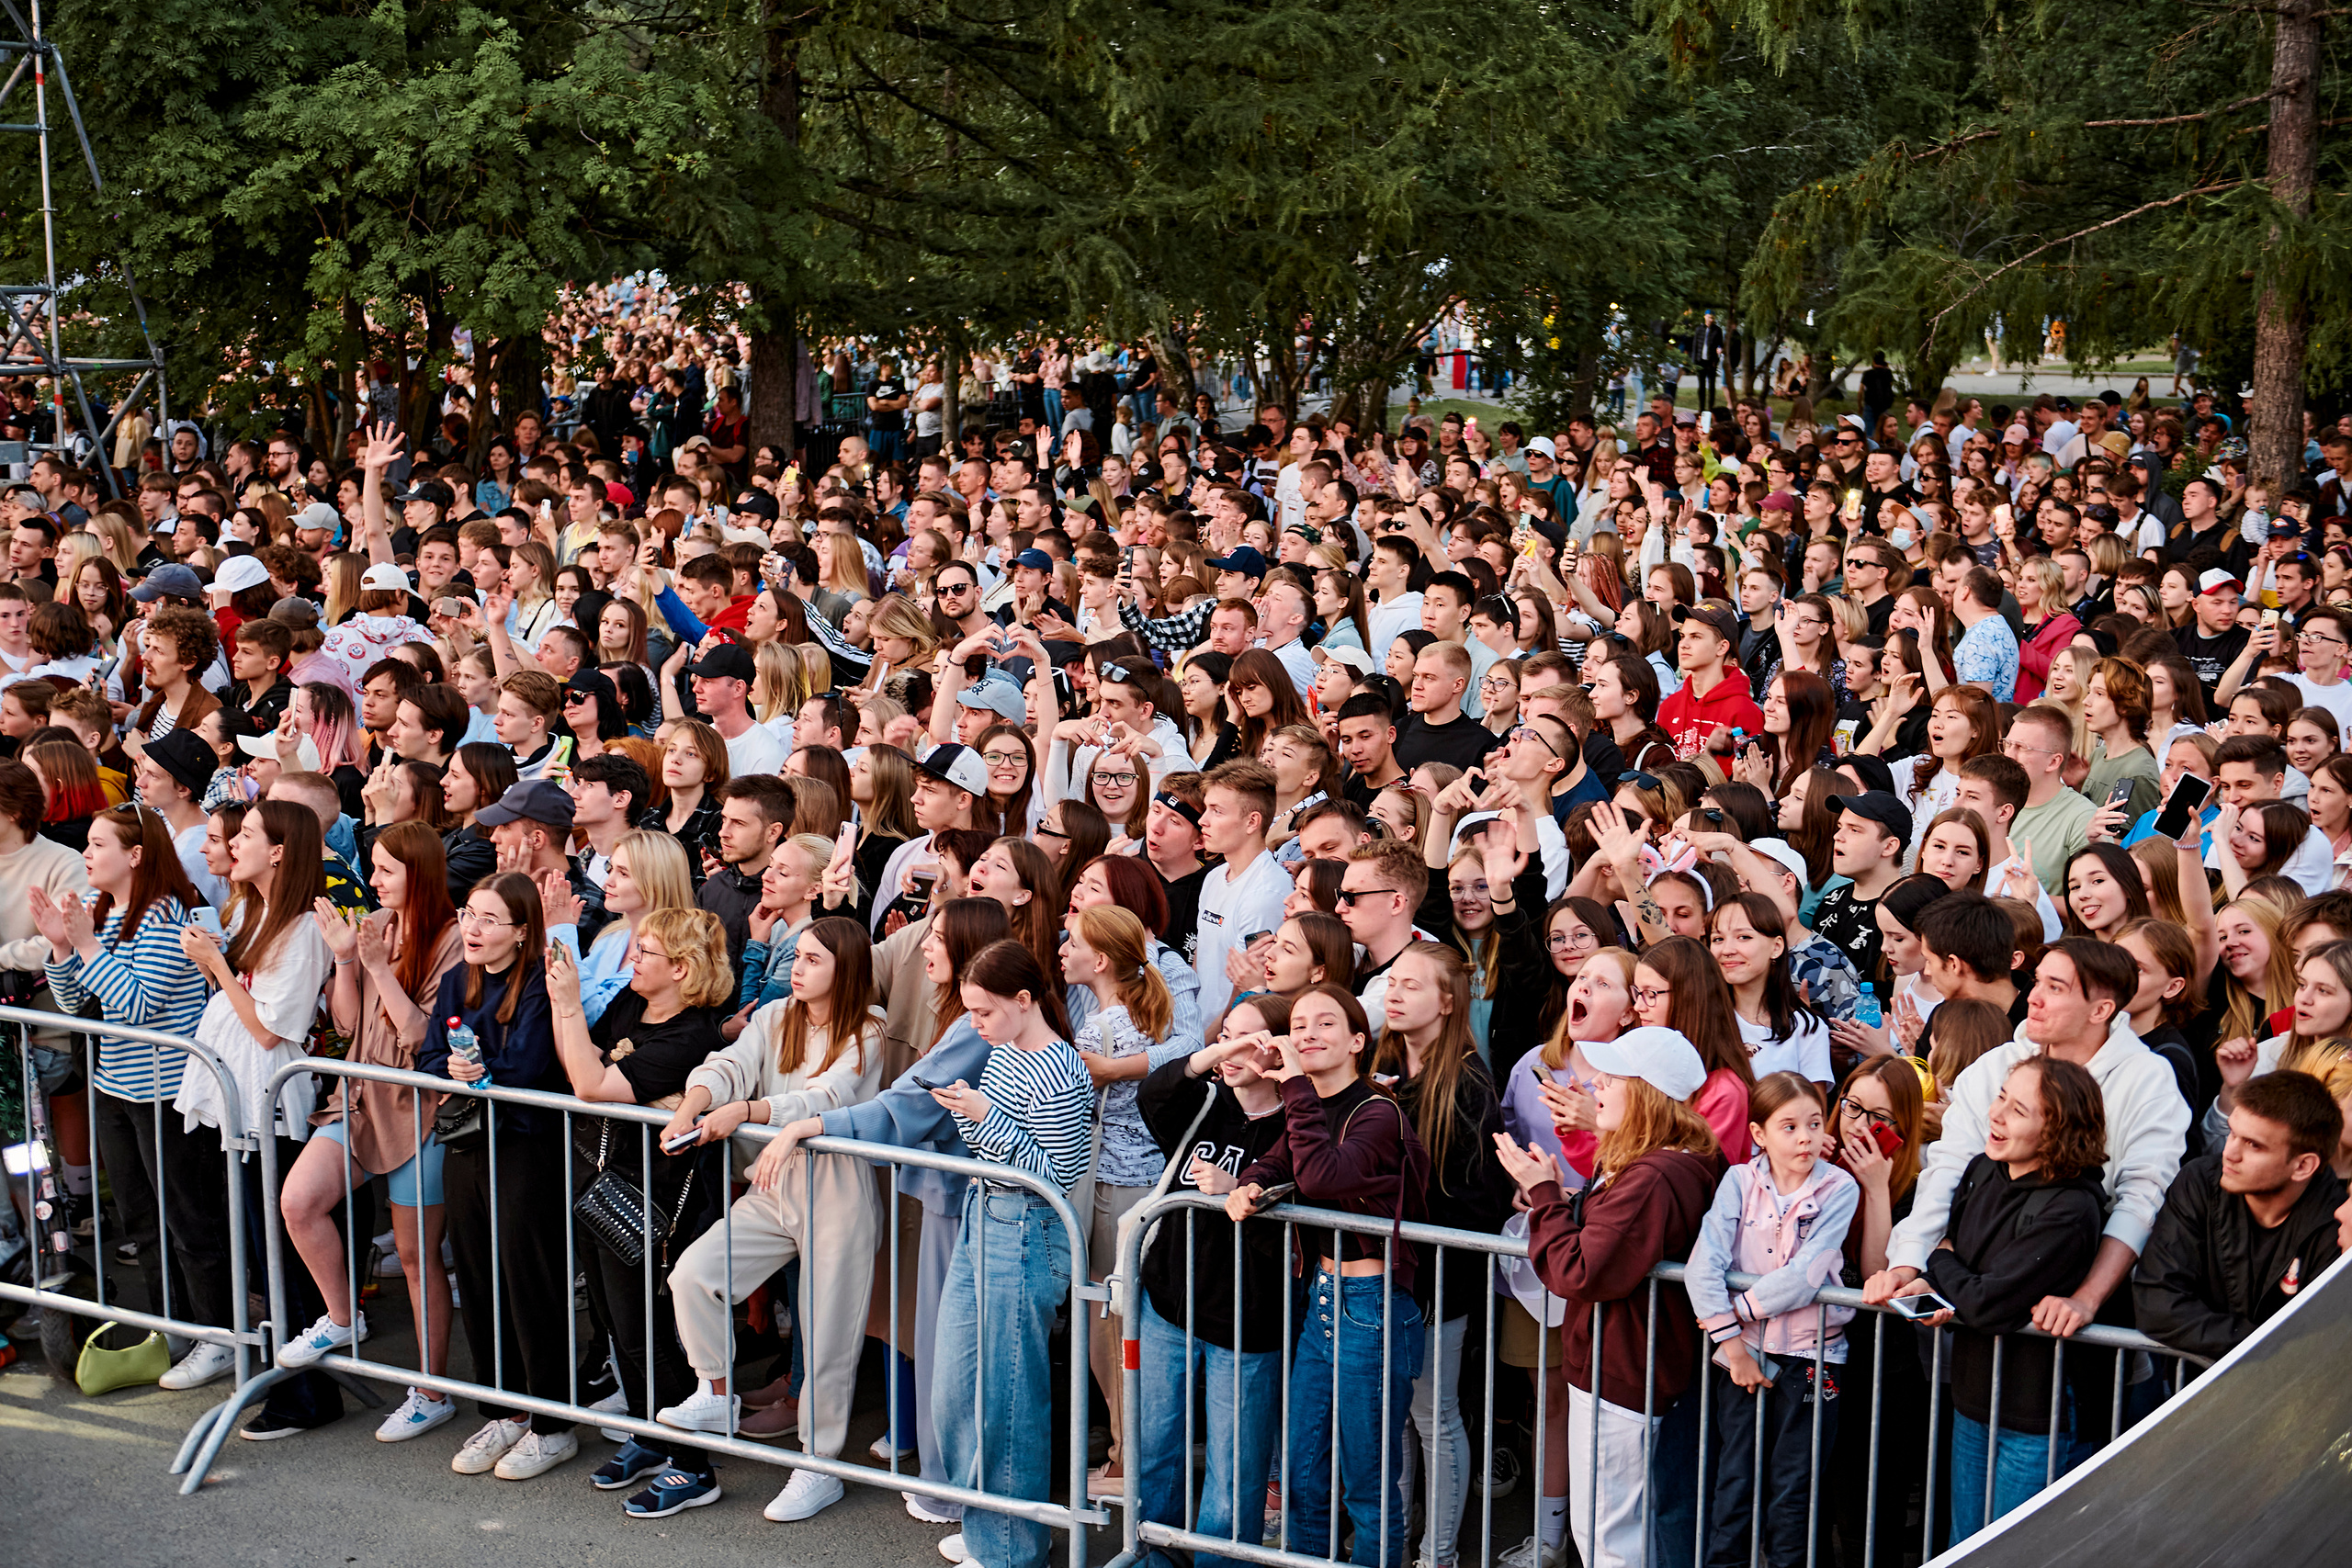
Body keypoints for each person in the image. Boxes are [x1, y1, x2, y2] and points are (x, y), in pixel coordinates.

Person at [603, 909, 863, 1522]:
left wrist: (744, 1111)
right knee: (693, 1274)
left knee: (825, 1337)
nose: (797, 968)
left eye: (813, 959)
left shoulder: (867, 1030)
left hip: (839, 1194)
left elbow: (828, 1096)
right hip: (772, 1187)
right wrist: (691, 1106)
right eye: (796, 956)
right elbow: (726, 1065)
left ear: (845, 969)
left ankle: (818, 1465)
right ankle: (715, 1394)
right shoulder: (775, 1017)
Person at [1493, 1026, 1722, 1568]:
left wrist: (1546, 1195)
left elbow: (1580, 1270)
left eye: (1613, 1077)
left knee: (1607, 1540)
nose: (1594, 1082)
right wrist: (1567, 1200)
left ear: (1646, 1093)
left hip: (1621, 1372)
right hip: (1628, 1367)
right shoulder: (1672, 1159)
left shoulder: (1654, 1175)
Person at [273, 822, 465, 1443]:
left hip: (421, 1107)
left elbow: (420, 1036)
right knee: (299, 1201)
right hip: (357, 1096)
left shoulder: (455, 937)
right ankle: (340, 1314)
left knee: (414, 1256)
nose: (374, 880)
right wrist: (347, 959)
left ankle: (432, 1389)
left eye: (385, 869)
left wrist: (378, 966)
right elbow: (351, 1023)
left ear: (419, 872)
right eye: (375, 868)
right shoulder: (374, 925)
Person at [1226, 984, 1429, 1568]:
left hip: (1372, 1305)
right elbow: (1284, 1160)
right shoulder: (1310, 1104)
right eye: (1299, 1023)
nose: (1307, 1034)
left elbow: (1322, 1177)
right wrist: (1251, 1184)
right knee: (1304, 1478)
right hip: (1322, 1297)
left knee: (1367, 1487)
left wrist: (1291, 1084)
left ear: (1357, 1042)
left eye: (1325, 1025)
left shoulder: (1377, 1112)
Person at [169, 798, 340, 1437]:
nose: (232, 842)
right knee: (255, 1237)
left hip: (269, 1094)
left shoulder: (299, 927)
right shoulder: (253, 909)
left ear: (279, 851)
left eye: (245, 834)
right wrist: (219, 961)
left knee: (277, 1247)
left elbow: (273, 1030)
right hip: (239, 1089)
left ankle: (305, 1391)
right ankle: (290, 1379)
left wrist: (217, 966)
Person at [30, 805, 212, 1378]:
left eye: (98, 844)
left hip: (166, 1091)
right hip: (115, 1084)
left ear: (135, 855)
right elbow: (73, 1004)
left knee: (185, 1218)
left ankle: (212, 1331)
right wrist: (62, 947)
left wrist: (84, 946)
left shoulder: (165, 914)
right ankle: (171, 1327)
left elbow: (135, 1007)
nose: (85, 854)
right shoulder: (103, 911)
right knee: (140, 1217)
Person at [1896, 1055, 2110, 1540]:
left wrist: (1942, 1262)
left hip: (2039, 1415)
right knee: (1962, 1543)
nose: (1996, 1115)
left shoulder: (2072, 1206)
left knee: (2010, 1551)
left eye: (2018, 1110)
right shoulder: (1983, 1169)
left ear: (2057, 1129)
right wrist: (1946, 1269)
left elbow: (1987, 1302)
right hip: (1975, 1397)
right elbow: (1960, 1267)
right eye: (2000, 1098)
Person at [416, 871, 577, 1481]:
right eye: (468, 914)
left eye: (489, 919)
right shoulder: (458, 977)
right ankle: (503, 1409)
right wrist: (451, 1065)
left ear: (521, 931)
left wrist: (476, 1065)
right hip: (465, 1143)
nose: (473, 928)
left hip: (525, 1145)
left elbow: (531, 1064)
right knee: (478, 1276)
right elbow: (428, 1053)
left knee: (529, 1279)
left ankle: (552, 1422)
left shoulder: (538, 979)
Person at [1133, 992, 1295, 1568]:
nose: (1234, 1050)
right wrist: (1212, 1054)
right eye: (1227, 1033)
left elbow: (1310, 1188)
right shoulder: (1204, 1105)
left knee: (1234, 1471)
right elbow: (1151, 1095)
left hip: (1246, 1323)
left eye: (1250, 1039)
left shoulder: (1298, 1122)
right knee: (1155, 1451)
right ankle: (1156, 1560)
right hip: (1169, 1307)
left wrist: (1239, 1190)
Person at [1373, 942, 1513, 1568]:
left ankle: (1441, 1554)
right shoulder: (1381, 1065)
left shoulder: (1467, 1083)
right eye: (1392, 982)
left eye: (1413, 984)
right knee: (1398, 1416)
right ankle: (1399, 1537)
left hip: (1435, 1281)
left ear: (1449, 1000)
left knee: (1434, 1415)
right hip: (1378, 1273)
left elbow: (1473, 1200)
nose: (1395, 993)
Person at [1686, 1073, 1857, 1568]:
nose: (1805, 1137)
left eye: (1814, 1123)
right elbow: (1704, 1263)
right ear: (1759, 1133)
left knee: (1795, 1486)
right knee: (1735, 1478)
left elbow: (1807, 1274)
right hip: (1740, 1354)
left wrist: (1732, 1315)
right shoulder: (1738, 1181)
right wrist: (1732, 1345)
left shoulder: (1837, 1187)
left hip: (1812, 1355)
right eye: (1788, 1126)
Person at [1060, 904, 1185, 1501]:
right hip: (1153, 1183)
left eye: (1074, 941)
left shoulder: (1099, 1030)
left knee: (1110, 1333)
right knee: (1138, 1328)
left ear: (1101, 959)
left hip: (1113, 1190)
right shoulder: (1152, 1012)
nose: (1063, 948)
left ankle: (1123, 1463)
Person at [2133, 1068, 2347, 1360]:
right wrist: (2268, 1343)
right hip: (2194, 1390)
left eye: (2254, 1145)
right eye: (2233, 1133)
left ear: (2303, 1166)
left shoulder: (2338, 1221)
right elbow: (2158, 1304)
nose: (2229, 1152)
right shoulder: (2200, 1182)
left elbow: (2320, 1342)